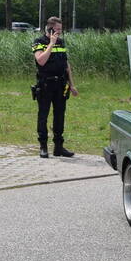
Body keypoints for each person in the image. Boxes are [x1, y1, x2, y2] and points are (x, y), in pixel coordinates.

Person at [32, 16, 78, 158]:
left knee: (59, 116)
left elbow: (66, 65)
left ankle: (58, 147)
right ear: (49, 28)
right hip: (46, 84)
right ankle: (43, 146)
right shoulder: (39, 42)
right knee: (43, 116)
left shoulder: (61, 42)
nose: (59, 32)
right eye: (57, 29)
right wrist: (51, 44)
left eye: (60, 30)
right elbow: (41, 61)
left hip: (60, 85)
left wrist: (71, 84)